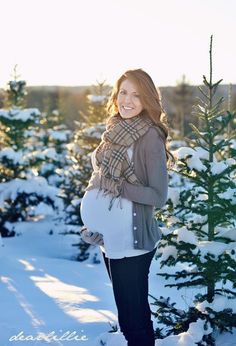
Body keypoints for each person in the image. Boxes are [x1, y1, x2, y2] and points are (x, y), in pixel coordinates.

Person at [80, 69, 171, 346]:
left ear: (147, 100)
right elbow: (99, 180)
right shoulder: (114, 130)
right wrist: (95, 225)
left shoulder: (149, 137)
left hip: (133, 243)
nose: (127, 100)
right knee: (128, 317)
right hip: (111, 240)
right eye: (123, 92)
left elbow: (158, 195)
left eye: (136, 94)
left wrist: (119, 187)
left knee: (135, 322)